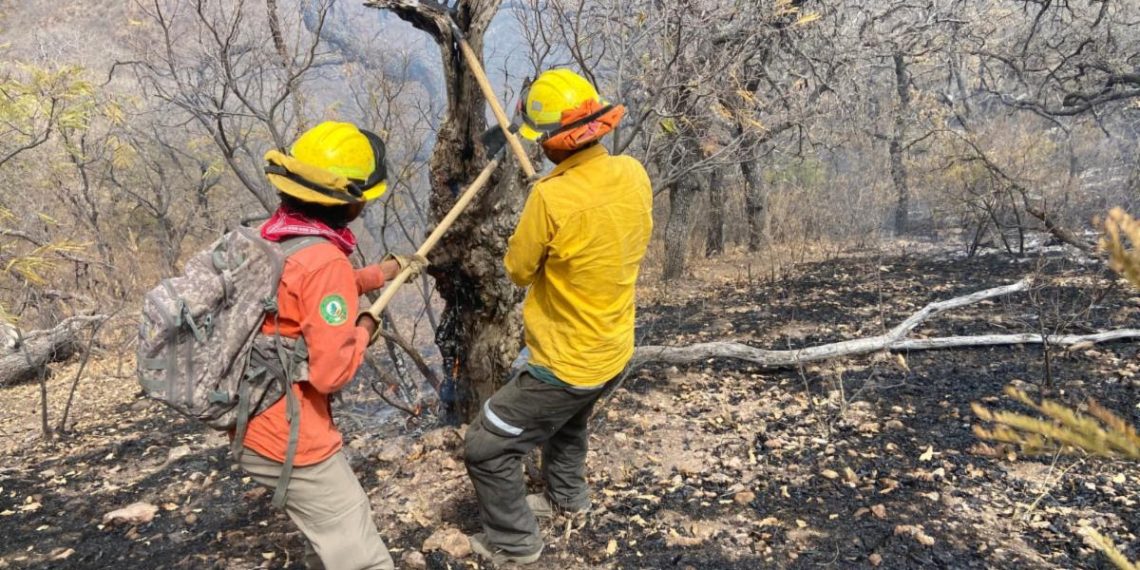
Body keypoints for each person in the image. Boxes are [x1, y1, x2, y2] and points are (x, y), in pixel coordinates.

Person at [463, 69, 654, 565]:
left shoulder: (550, 198)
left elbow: (518, 270)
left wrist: (544, 206)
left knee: (486, 445)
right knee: (568, 420)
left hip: (567, 362)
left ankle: (515, 544)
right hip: (614, 348)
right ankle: (568, 499)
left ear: (551, 142)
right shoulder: (633, 172)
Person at [238, 121, 426, 570]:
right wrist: (364, 328)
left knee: (327, 538)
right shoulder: (325, 262)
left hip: (252, 417)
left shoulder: (275, 237)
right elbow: (331, 373)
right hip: (291, 434)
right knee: (358, 550)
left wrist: (380, 274)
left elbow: (302, 294)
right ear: (348, 201)